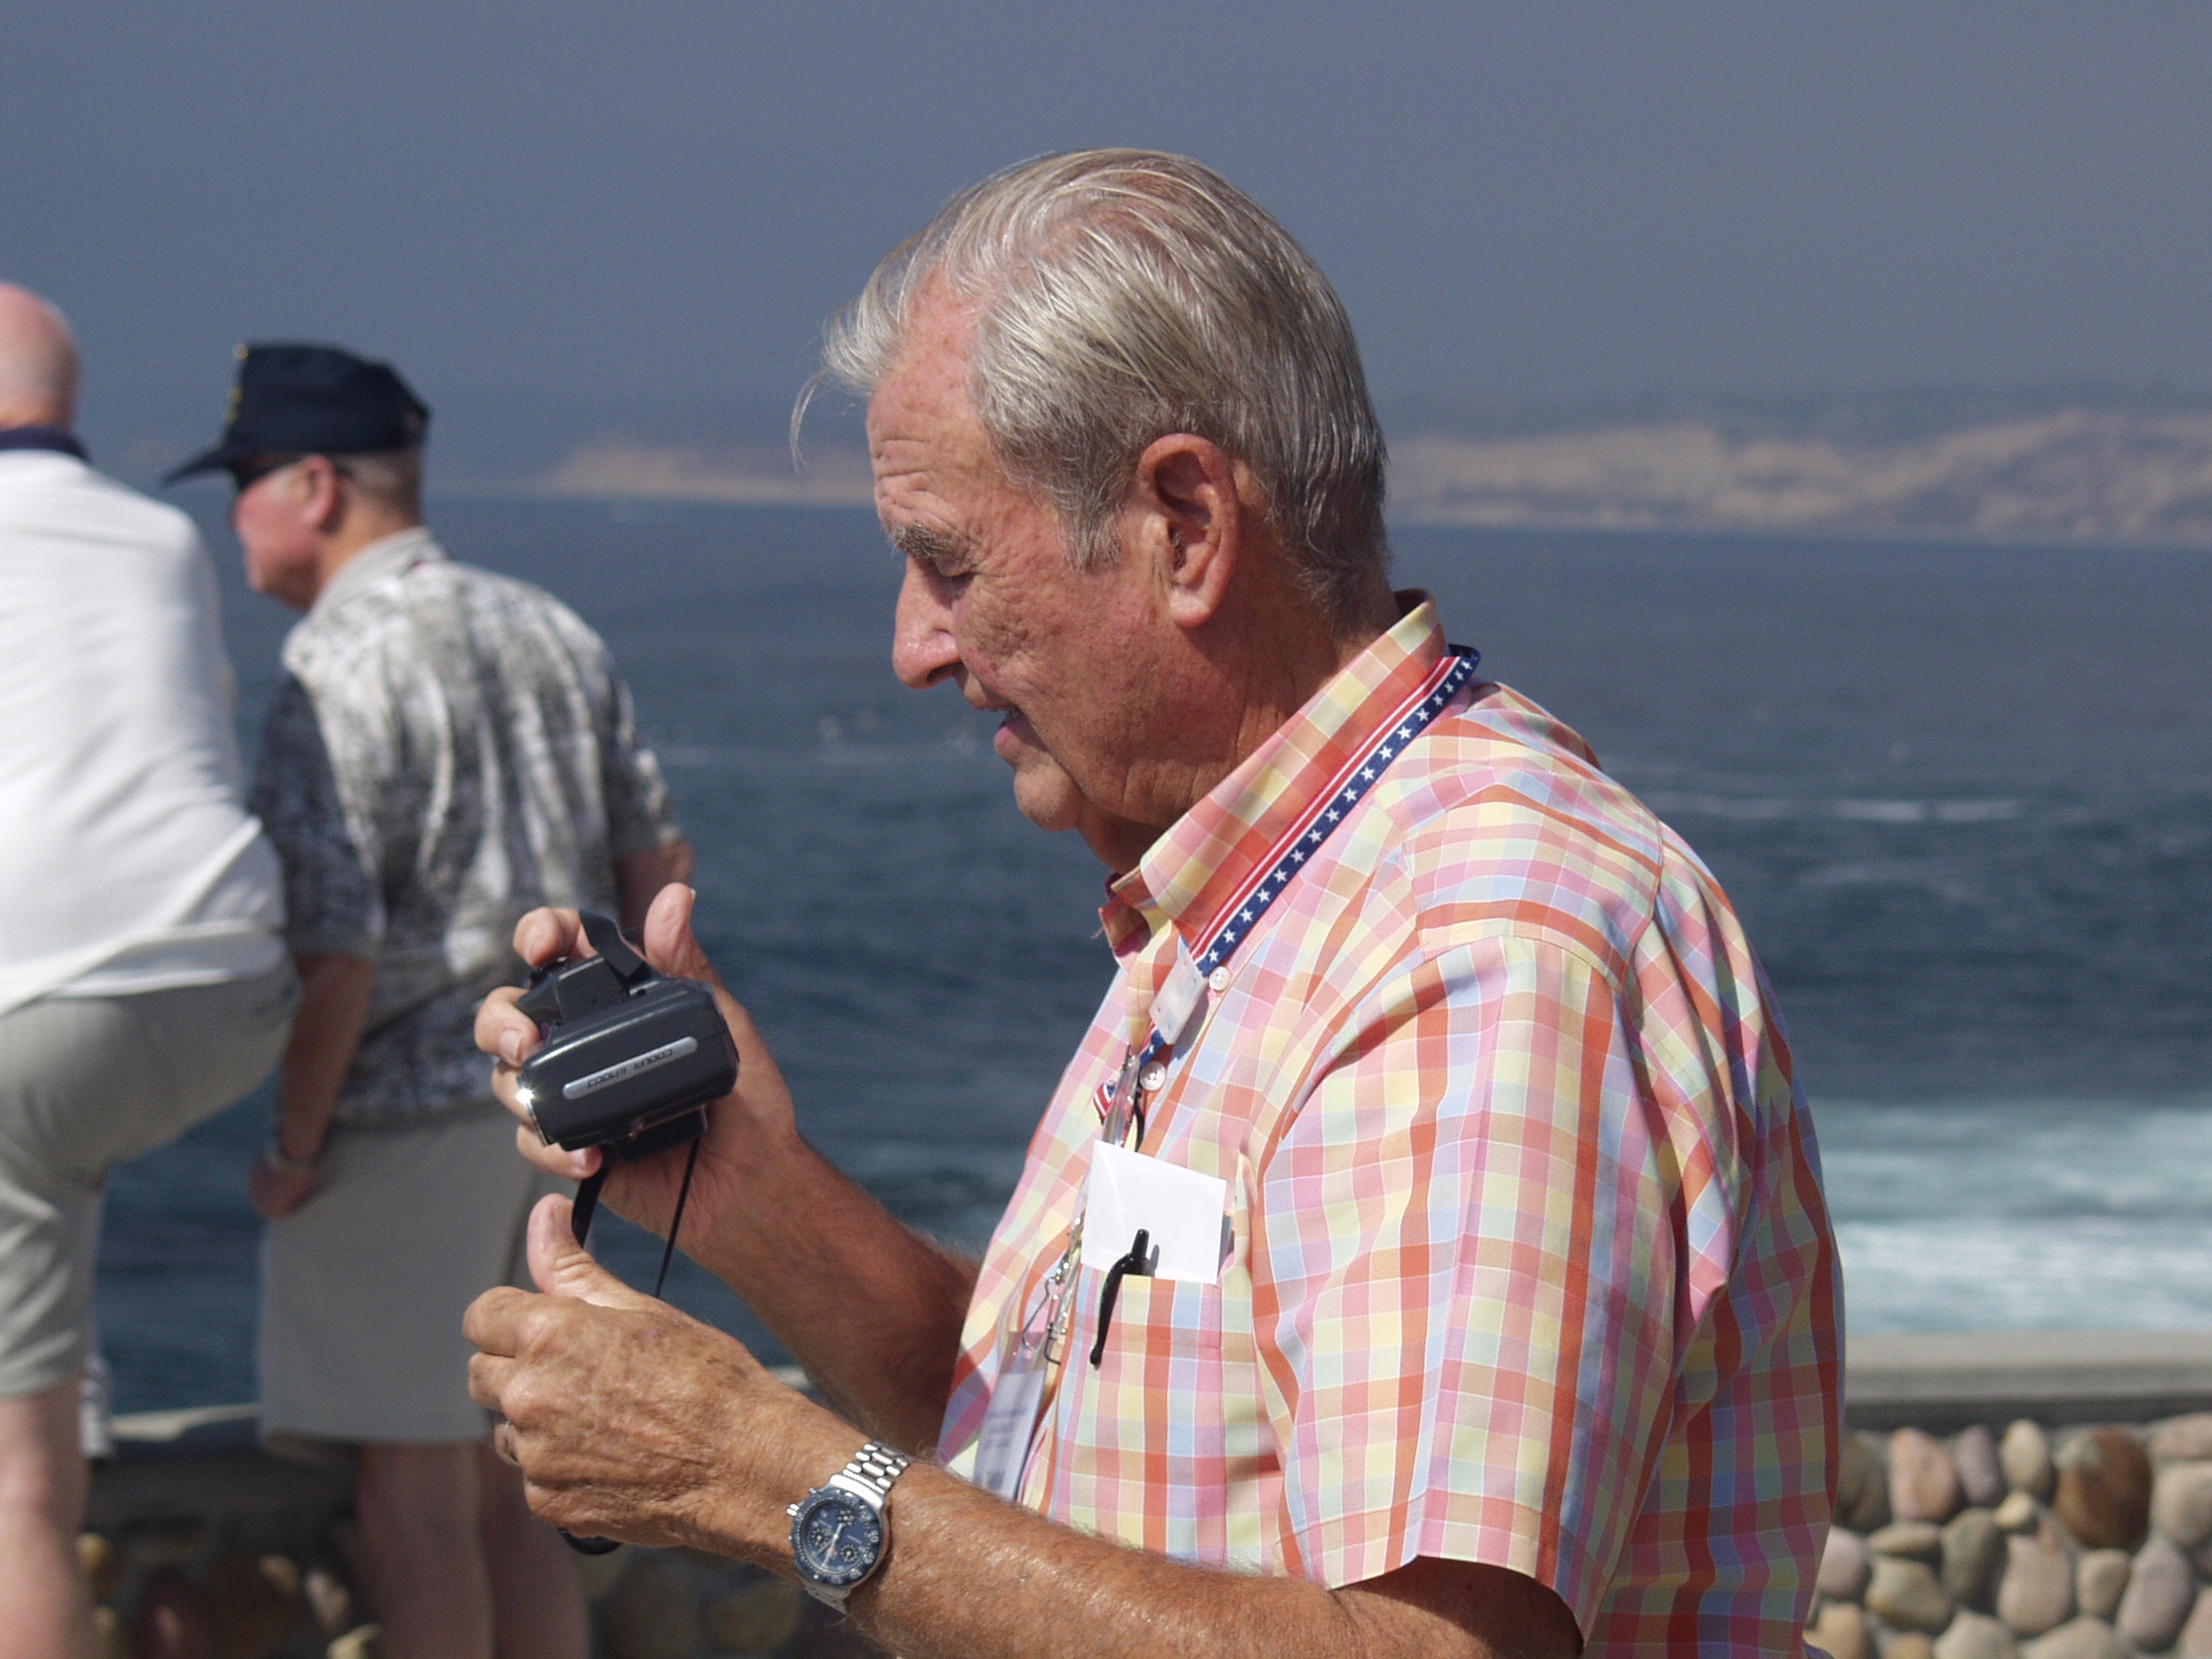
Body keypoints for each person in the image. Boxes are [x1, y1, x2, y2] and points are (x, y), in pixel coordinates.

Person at [466, 152, 1841, 1658]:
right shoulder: (1268, 890)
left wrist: (769, 1480)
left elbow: (1432, 1647)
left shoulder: (1474, 949)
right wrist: (760, 1206)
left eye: (947, 563)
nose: (914, 647)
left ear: (1184, 524)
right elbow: (1061, 1445)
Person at [169, 343, 693, 1659]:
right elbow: (656, 868)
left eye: (243, 480)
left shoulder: (329, 670)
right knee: (520, 1482)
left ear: (312, 483)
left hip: (399, 1122)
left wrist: (292, 1146)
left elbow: (335, 950)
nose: (230, 512)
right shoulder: (551, 626)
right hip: (566, 1108)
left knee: (411, 1507)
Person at [0, 287, 296, 1659]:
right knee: (58, 1155)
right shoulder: (160, 538)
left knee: (18, 1499)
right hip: (224, 975)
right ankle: (75, 1374)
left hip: (38, 1000)